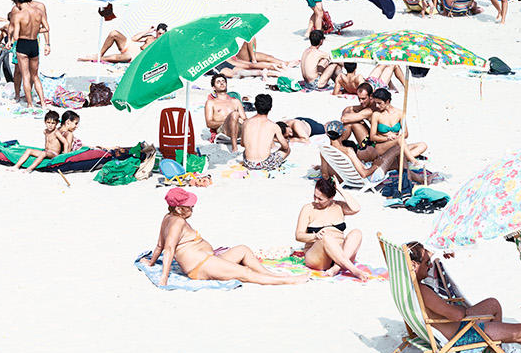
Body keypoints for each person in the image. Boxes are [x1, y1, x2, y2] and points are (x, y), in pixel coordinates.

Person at [147, 188, 307, 287]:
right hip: (200, 266)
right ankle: (288, 281)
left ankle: (271, 275)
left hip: (208, 260)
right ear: (180, 209)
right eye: (189, 207)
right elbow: (167, 249)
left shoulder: (167, 217)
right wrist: (164, 278)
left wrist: (152, 262)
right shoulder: (177, 223)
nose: (192, 208)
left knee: (243, 250)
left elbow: (159, 245)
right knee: (244, 273)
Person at [295, 176, 371, 279]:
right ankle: (354, 270)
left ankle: (336, 268)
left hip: (341, 255)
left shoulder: (338, 206)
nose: (316, 201)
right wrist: (315, 236)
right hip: (318, 257)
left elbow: (356, 208)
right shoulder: (308, 209)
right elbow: (298, 236)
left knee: (356, 233)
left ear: (331, 197)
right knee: (326, 236)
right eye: (314, 196)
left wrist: (340, 189)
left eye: (320, 199)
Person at [7, 0, 50, 108]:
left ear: (18, 0)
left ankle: (30, 104)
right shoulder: (39, 11)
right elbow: (47, 28)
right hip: (34, 43)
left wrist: (14, 38)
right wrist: (36, 32)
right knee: (35, 76)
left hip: (23, 44)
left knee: (25, 75)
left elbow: (15, 36)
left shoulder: (18, 15)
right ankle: (43, 103)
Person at [241, 94, 290, 170]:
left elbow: (243, 144)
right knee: (287, 150)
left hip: (248, 163)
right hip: (264, 164)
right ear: (270, 108)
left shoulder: (246, 123)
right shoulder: (274, 126)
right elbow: (285, 147)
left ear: (256, 107)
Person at [202, 73, 246, 145]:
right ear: (214, 88)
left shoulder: (235, 101)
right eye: (218, 82)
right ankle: (234, 147)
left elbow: (245, 119)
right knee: (234, 115)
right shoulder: (211, 103)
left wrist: (241, 121)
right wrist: (229, 122)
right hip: (223, 130)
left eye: (223, 81)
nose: (221, 83)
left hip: (239, 128)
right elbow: (209, 123)